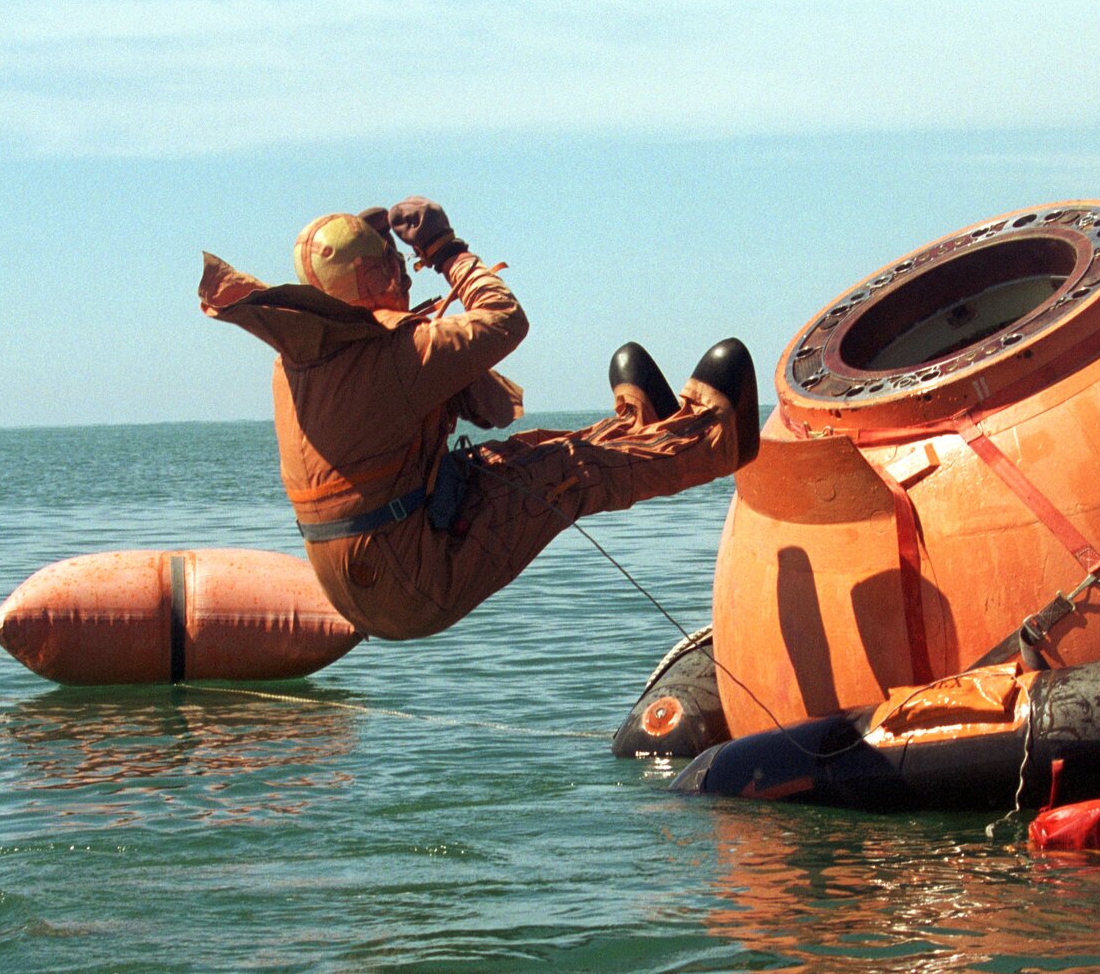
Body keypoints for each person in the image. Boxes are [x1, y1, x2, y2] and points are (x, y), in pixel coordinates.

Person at [200, 196, 761, 641]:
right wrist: (446, 249)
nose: (409, 275)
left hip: (370, 573)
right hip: (409, 582)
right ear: (369, 282)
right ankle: (717, 440)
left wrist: (446, 366)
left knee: (529, 456)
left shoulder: (303, 357)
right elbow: (505, 319)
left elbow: (492, 413)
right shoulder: (401, 358)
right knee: (570, 473)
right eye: (396, 265)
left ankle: (647, 430)